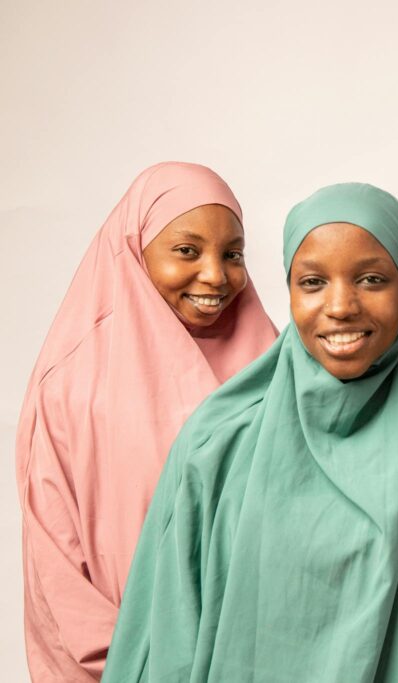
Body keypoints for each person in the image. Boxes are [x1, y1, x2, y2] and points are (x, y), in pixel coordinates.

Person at [104, 183, 398, 682]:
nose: (341, 306)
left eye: (371, 279)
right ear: (290, 290)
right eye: (313, 282)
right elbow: (163, 634)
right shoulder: (219, 441)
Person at [15, 162, 277, 681]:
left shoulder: (274, 361)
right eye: (187, 250)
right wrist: (138, 664)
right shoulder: (71, 384)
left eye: (233, 254)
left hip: (256, 659)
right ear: (136, 248)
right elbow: (56, 565)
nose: (215, 275)